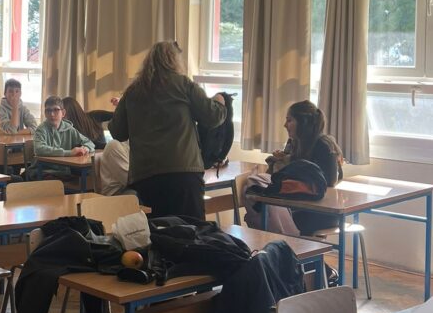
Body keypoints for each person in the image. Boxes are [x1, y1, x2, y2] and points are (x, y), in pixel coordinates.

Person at [110, 41, 226, 219]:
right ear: (174, 61)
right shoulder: (183, 85)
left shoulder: (133, 91)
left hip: (146, 175)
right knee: (191, 228)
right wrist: (220, 102)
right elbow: (212, 117)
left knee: (158, 229)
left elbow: (117, 132)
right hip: (183, 171)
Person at [247, 101, 344, 236]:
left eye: (289, 120)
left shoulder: (323, 144)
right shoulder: (295, 143)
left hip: (321, 213)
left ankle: (284, 244)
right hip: (297, 205)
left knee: (267, 219)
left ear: (303, 123)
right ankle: (279, 242)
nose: (285, 125)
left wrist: (290, 166)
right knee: (260, 204)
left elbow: (329, 182)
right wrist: (281, 161)